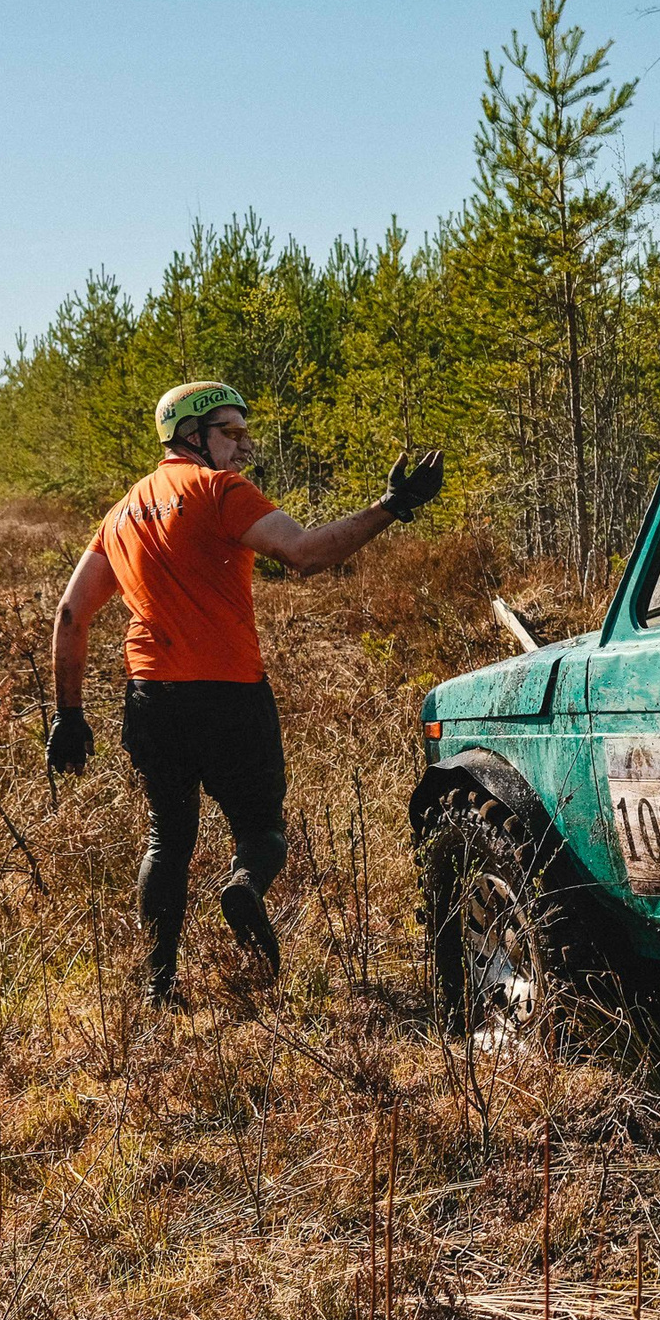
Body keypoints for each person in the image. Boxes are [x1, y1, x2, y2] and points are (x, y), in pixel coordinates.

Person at [48, 381, 443, 1000]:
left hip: (150, 698)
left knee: (166, 840)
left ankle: (158, 988)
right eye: (231, 433)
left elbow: (72, 614)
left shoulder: (121, 513)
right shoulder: (218, 491)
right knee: (262, 834)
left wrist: (68, 714)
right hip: (229, 694)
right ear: (191, 436)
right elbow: (306, 554)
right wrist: (390, 506)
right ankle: (244, 886)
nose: (242, 447)